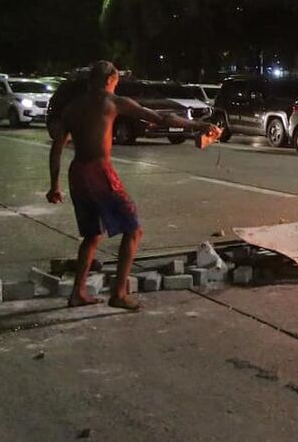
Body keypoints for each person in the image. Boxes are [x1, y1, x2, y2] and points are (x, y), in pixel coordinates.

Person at [46, 60, 222, 310]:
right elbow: (160, 118)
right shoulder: (112, 102)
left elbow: (56, 149)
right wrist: (198, 125)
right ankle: (119, 293)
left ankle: (78, 292)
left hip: (77, 174)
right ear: (109, 80)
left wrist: (54, 185)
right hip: (99, 172)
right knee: (133, 230)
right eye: (116, 82)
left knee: (92, 235)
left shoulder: (72, 108)